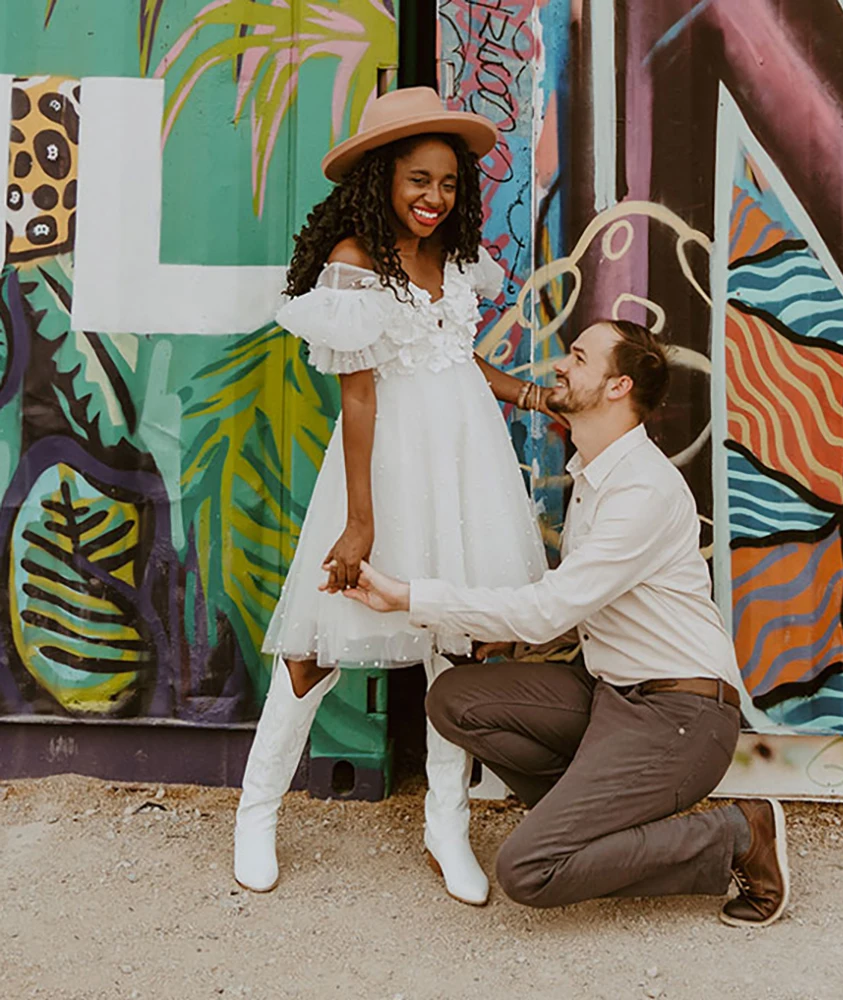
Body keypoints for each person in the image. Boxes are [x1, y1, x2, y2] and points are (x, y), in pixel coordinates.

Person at [345, 318, 791, 926]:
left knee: (529, 870)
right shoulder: (594, 472)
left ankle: (739, 834)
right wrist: (506, 631)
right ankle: (590, 826)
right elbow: (580, 603)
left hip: (681, 717)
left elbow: (550, 606)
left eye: (579, 358)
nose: (560, 365)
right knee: (453, 699)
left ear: (617, 387)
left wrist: (410, 597)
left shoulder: (642, 490)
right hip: (612, 695)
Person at [234, 87, 562, 905]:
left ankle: (445, 825)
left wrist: (528, 397)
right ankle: (256, 811)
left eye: (448, 184)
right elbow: (360, 396)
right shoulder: (354, 261)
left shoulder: (453, 256)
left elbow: (456, 359)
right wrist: (361, 522)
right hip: (383, 473)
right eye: (419, 179)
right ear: (383, 177)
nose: (434, 198)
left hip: (466, 461)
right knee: (315, 647)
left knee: (455, 640)